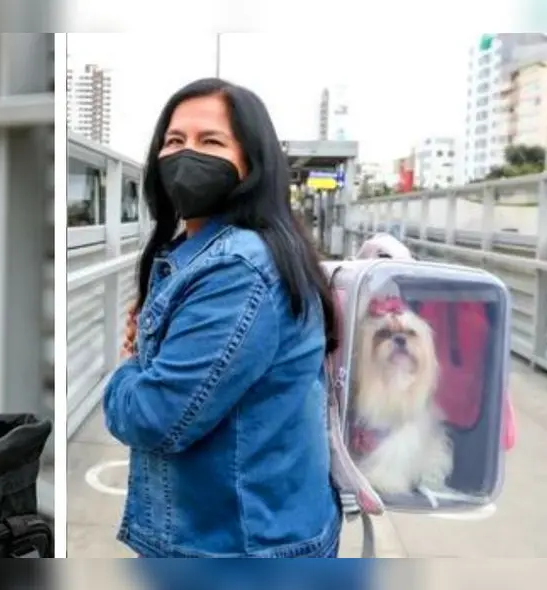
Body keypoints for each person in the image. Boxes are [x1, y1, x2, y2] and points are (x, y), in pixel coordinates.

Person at [103, 77, 342, 558]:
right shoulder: (207, 251)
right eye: (174, 141)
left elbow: (152, 418)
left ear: (252, 163)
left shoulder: (238, 268)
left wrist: (128, 368)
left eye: (210, 141)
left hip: (240, 549)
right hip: (246, 535)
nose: (186, 155)